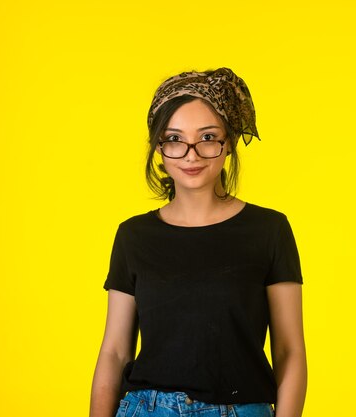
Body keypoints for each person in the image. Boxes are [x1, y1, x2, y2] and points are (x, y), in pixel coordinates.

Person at [90, 68, 307, 417]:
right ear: (159, 148)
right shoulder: (133, 236)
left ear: (229, 143)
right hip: (147, 410)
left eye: (207, 137)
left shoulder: (269, 230)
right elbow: (115, 352)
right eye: (174, 138)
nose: (191, 154)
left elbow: (289, 351)